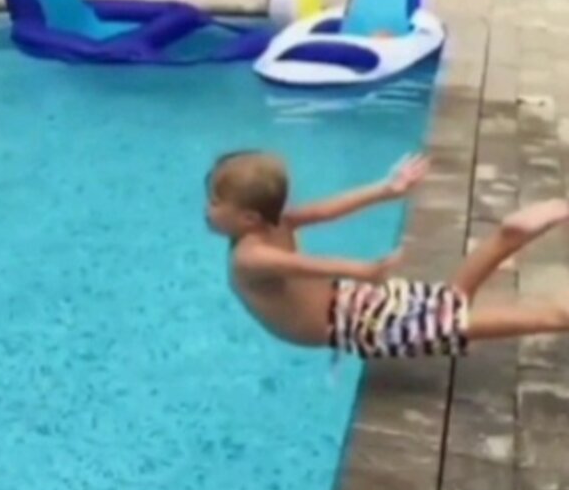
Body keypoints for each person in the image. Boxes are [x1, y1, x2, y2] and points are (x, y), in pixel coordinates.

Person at [204, 150, 569, 358]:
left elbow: (302, 264)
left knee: (452, 323)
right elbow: (326, 210)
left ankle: (556, 312)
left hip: (354, 322)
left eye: (215, 202)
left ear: (248, 216)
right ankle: (507, 238)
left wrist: (362, 269)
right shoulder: (276, 223)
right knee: (450, 303)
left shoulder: (248, 257)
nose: (207, 209)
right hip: (350, 302)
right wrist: (384, 190)